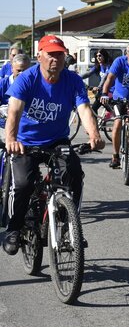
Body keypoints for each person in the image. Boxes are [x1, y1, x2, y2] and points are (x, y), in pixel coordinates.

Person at [1, 35, 104, 255]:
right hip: (26, 142)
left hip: (57, 141)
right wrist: (11, 140)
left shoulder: (72, 80)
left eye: (59, 54)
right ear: (39, 56)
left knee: (74, 174)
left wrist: (94, 135)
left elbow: (84, 109)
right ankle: (14, 228)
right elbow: (14, 110)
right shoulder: (27, 79)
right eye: (51, 54)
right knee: (23, 184)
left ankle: (69, 224)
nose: (55, 59)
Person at [0, 54, 32, 140]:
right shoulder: (3, 84)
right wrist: (2, 110)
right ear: (12, 68)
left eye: (25, 70)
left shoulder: (34, 85)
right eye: (19, 70)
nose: (21, 73)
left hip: (26, 129)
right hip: (4, 127)